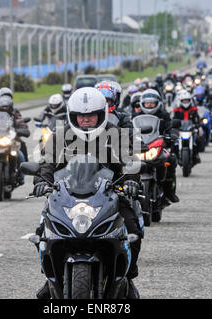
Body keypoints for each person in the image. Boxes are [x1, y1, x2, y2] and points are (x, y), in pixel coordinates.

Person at [33, 87, 143, 299]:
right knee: (42, 232)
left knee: (133, 230)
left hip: (110, 195)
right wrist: (41, 182)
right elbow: (47, 165)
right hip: (67, 196)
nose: (85, 120)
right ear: (72, 116)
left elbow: (130, 162)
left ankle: (126, 277)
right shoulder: (60, 135)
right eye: (80, 116)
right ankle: (52, 278)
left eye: (90, 115)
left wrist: (130, 181)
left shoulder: (117, 134)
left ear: (101, 114)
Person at [139, 89, 179, 203]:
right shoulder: (137, 115)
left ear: (157, 103)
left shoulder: (164, 115)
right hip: (142, 146)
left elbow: (170, 127)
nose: (150, 105)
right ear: (143, 103)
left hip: (159, 145)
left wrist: (172, 134)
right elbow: (130, 128)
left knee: (171, 159)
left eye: (152, 103)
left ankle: (169, 191)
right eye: (147, 103)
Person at [172, 90, 201, 164]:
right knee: (174, 143)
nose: (185, 102)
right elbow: (174, 120)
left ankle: (196, 155)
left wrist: (197, 125)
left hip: (190, 130)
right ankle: (174, 157)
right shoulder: (177, 110)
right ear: (181, 101)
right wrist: (174, 126)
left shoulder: (194, 110)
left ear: (190, 101)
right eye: (184, 101)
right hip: (181, 130)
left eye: (187, 100)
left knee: (198, 140)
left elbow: (197, 119)